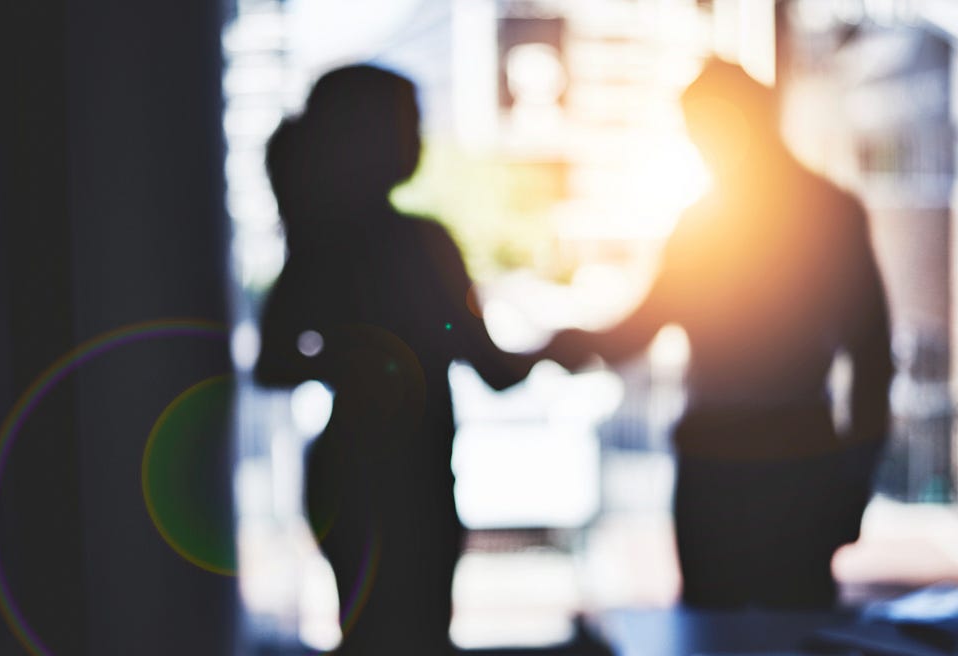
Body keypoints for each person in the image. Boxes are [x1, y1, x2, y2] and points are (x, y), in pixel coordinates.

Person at [548, 59, 894, 609]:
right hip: (794, 454)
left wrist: (557, 346)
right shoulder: (828, 212)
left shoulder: (705, 223)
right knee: (793, 625)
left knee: (717, 629)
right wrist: (855, 478)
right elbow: (872, 358)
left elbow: (639, 330)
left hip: (724, 459)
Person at [253, 65, 539, 655]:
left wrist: (344, 361)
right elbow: (492, 368)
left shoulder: (320, 243)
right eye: (411, 124)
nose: (420, 140)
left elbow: (273, 362)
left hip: (348, 475)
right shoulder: (420, 243)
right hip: (413, 481)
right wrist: (563, 349)